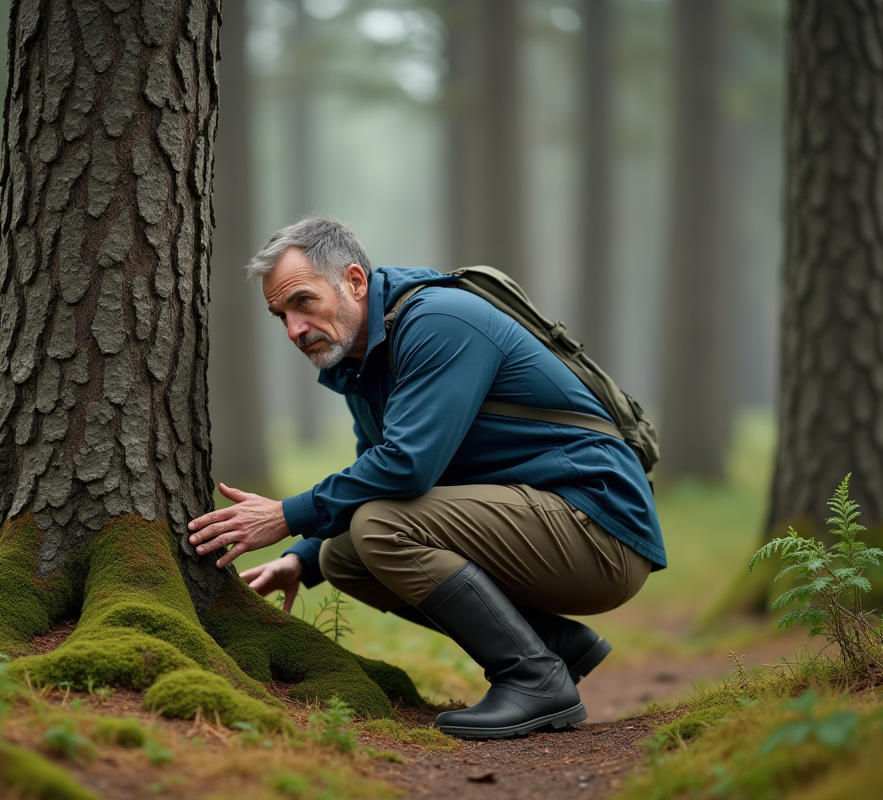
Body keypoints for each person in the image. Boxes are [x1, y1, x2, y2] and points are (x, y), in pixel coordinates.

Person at [187, 218, 666, 739]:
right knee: (341, 556)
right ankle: (553, 644)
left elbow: (407, 466)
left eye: (303, 302)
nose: (294, 330)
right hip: (545, 522)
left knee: (378, 527)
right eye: (281, 315)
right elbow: (375, 468)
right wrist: (300, 559)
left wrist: (284, 516)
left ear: (354, 280)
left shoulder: (440, 320)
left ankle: (533, 679)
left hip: (598, 527)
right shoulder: (363, 364)